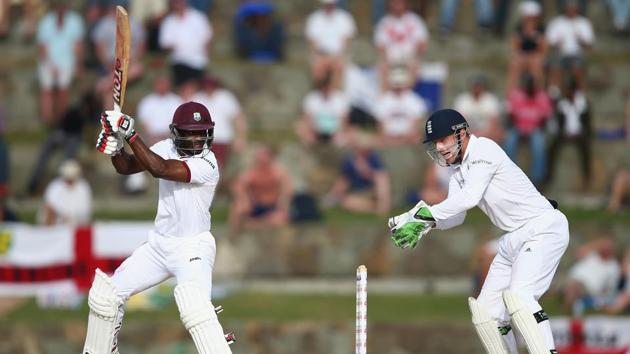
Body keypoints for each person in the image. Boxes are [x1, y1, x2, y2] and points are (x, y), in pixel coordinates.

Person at [387, 109, 569, 354]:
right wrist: (427, 224)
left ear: (461, 133)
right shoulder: (458, 172)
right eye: (435, 142)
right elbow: (457, 216)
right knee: (487, 314)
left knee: (520, 297)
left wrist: (419, 216)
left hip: (543, 228)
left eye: (443, 140)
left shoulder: (485, 150)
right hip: (513, 237)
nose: (439, 147)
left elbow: (469, 199)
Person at [87, 101, 233, 353]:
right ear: (176, 132)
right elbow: (128, 167)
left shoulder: (208, 163)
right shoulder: (166, 147)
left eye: (201, 132)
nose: (197, 139)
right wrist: (116, 148)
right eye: (190, 132)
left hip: (193, 247)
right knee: (106, 296)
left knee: (195, 308)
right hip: (159, 246)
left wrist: (130, 133)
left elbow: (159, 168)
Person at [36, 0, 85, 126]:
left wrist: (79, 65)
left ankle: (60, 119)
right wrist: (50, 64)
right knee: (46, 88)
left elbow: (78, 46)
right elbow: (42, 48)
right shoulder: (46, 21)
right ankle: (48, 120)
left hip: (67, 62)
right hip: (48, 62)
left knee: (63, 89)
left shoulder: (75, 21)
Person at [324, 132, 391, 215]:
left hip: (372, 190)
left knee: (381, 178)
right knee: (347, 201)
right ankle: (375, 208)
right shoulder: (350, 160)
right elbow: (344, 179)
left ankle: (383, 205)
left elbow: (380, 178)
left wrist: (366, 171)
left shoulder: (373, 158)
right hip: (358, 192)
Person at [228, 145, 292, 231]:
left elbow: (287, 189)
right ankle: (232, 240)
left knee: (280, 219)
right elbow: (238, 186)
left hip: (272, 207)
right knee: (237, 209)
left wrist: (283, 202)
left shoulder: (278, 172)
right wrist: (244, 199)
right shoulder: (251, 172)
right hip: (255, 206)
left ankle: (256, 224)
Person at [305, 0, 356, 89]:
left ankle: (335, 97)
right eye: (326, 4)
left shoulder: (345, 17)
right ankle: (321, 95)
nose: (328, 6)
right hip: (321, 55)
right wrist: (319, 57)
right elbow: (312, 43)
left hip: (339, 55)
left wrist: (337, 57)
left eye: (330, 4)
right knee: (317, 67)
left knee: (339, 66)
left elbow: (347, 41)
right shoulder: (314, 19)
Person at [563, 238, 620, 316]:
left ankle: (567, 310)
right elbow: (578, 253)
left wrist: (601, 297)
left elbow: (610, 287)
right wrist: (598, 243)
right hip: (571, 278)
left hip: (588, 288)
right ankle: (568, 310)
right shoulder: (591, 254)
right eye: (604, 246)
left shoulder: (613, 266)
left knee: (573, 288)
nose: (605, 249)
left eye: (608, 247)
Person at [40, 159, 92, 226]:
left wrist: (71, 219)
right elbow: (49, 207)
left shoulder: (83, 187)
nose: (70, 180)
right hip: (56, 223)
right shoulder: (55, 186)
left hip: (77, 223)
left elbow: (85, 211)